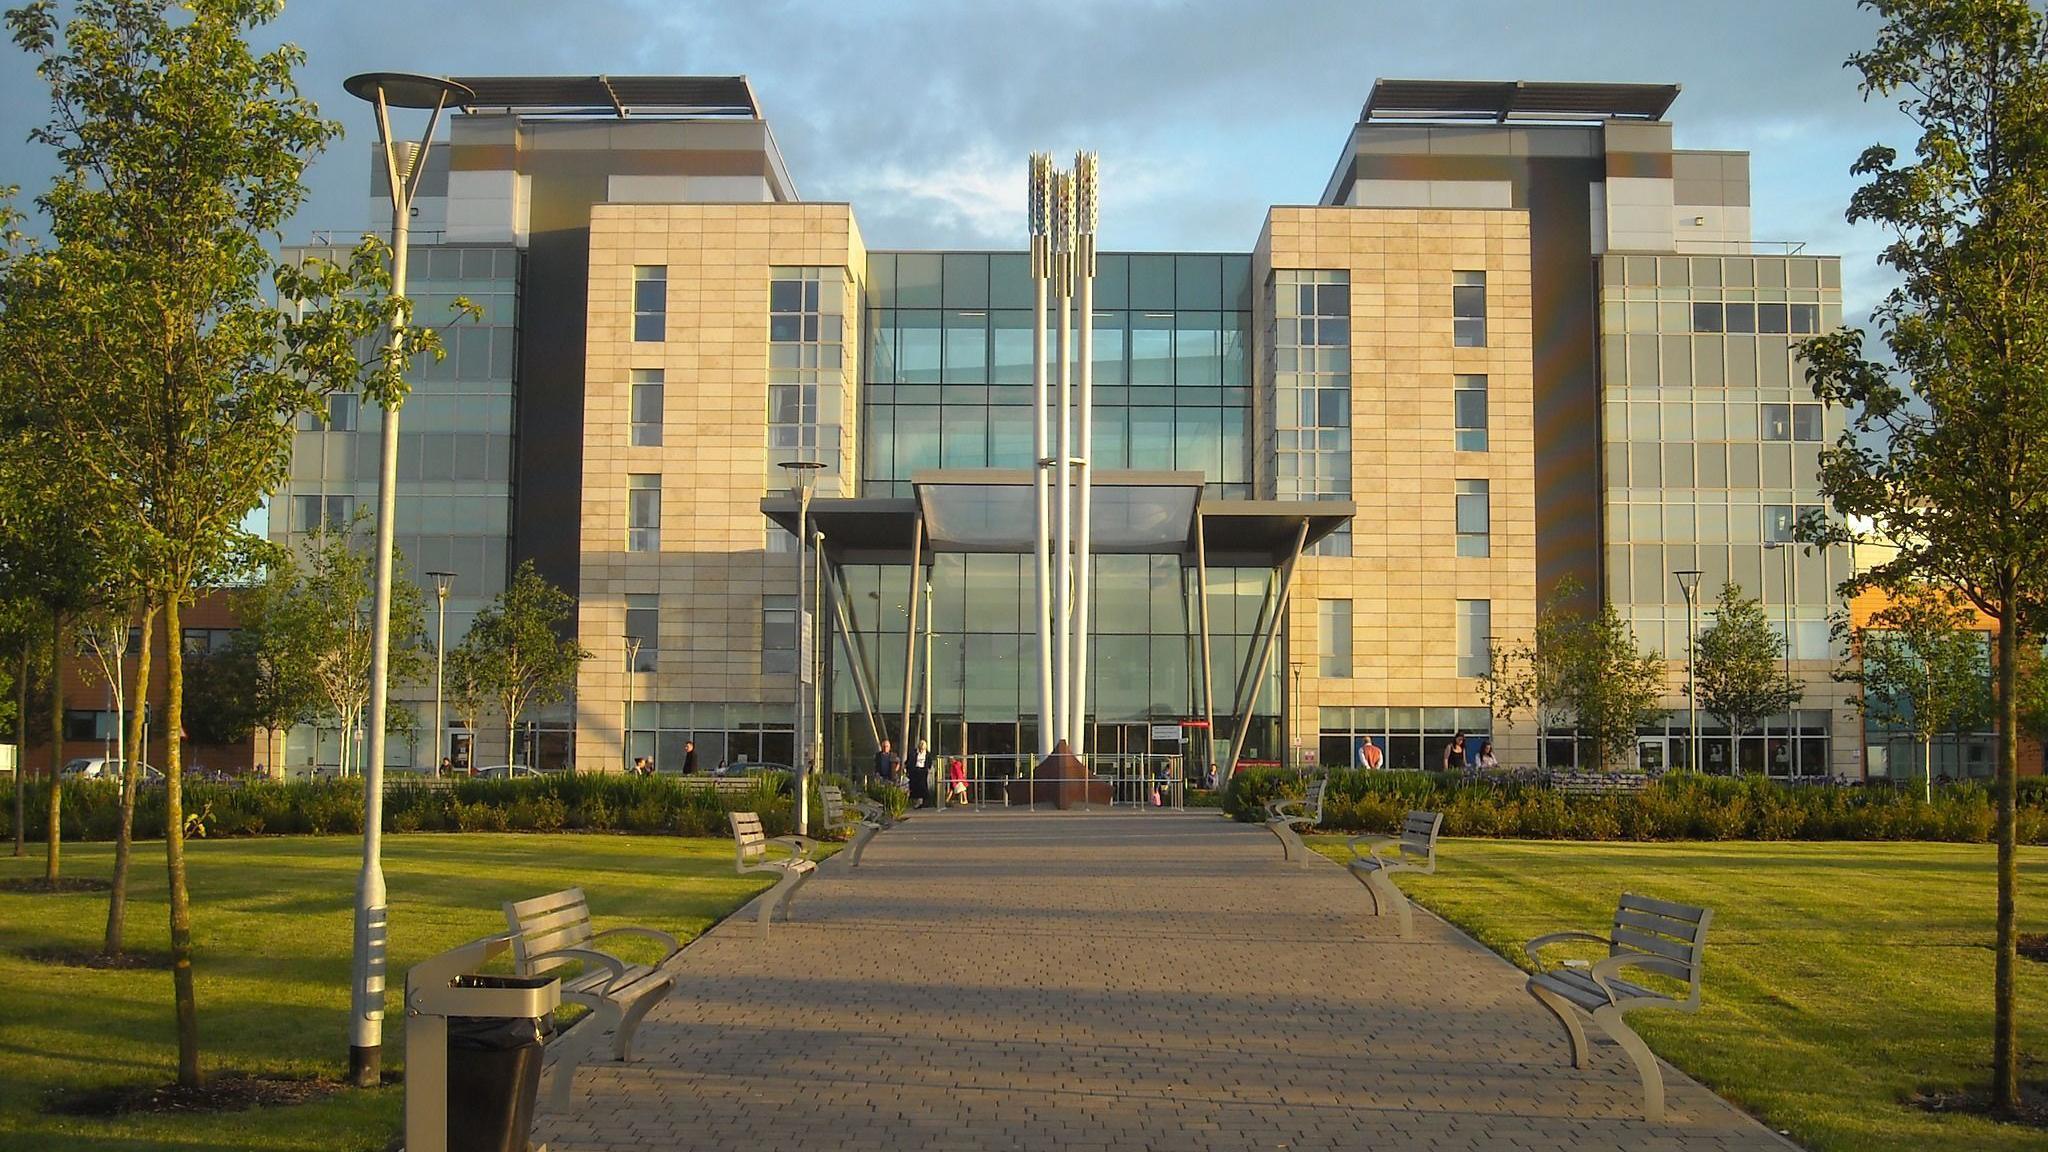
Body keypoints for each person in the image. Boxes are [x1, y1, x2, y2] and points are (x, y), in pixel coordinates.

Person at [907, 739, 937, 808]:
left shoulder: (927, 754)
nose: (922, 749)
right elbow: (910, 761)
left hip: (923, 771)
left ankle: (922, 801)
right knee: (915, 786)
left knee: (922, 786)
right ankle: (915, 801)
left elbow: (929, 762)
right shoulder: (914, 753)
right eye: (921, 747)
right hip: (915, 771)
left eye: (923, 748)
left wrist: (928, 768)